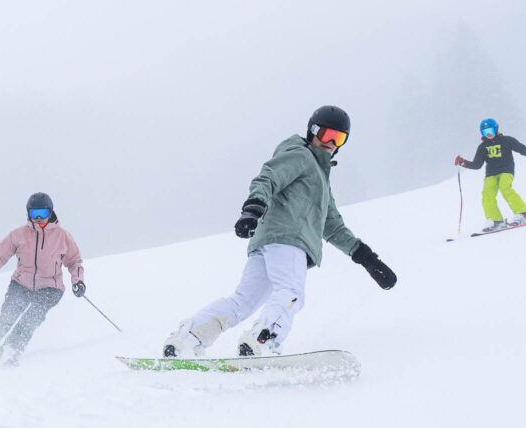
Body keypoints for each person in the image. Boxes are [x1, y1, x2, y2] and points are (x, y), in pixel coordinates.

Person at [162, 106, 396, 359]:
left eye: (338, 138)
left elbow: (333, 225)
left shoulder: (320, 180)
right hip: (289, 240)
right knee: (291, 292)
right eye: (327, 134)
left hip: (269, 242)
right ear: (313, 131)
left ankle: (188, 338)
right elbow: (269, 177)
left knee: (243, 301)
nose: (330, 143)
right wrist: (253, 208)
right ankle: (262, 340)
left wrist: (366, 257)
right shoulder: (301, 156)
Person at [0, 192, 85, 364]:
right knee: (7, 318)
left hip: (50, 288)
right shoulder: (18, 235)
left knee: (29, 320)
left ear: (51, 213)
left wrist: (78, 281)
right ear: (28, 214)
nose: (38, 218)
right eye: (34, 214)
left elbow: (74, 262)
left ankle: (10, 350)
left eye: (43, 214)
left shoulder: (63, 237)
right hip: (21, 284)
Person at [455, 117, 526, 232]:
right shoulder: (482, 147)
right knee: (487, 195)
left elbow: (521, 149)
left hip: (506, 170)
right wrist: (463, 163)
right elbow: (477, 165)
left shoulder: (506, 140)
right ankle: (495, 220)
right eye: (485, 132)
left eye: (491, 130)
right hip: (491, 174)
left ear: (496, 129)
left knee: (505, 188)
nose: (488, 134)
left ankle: (523, 214)